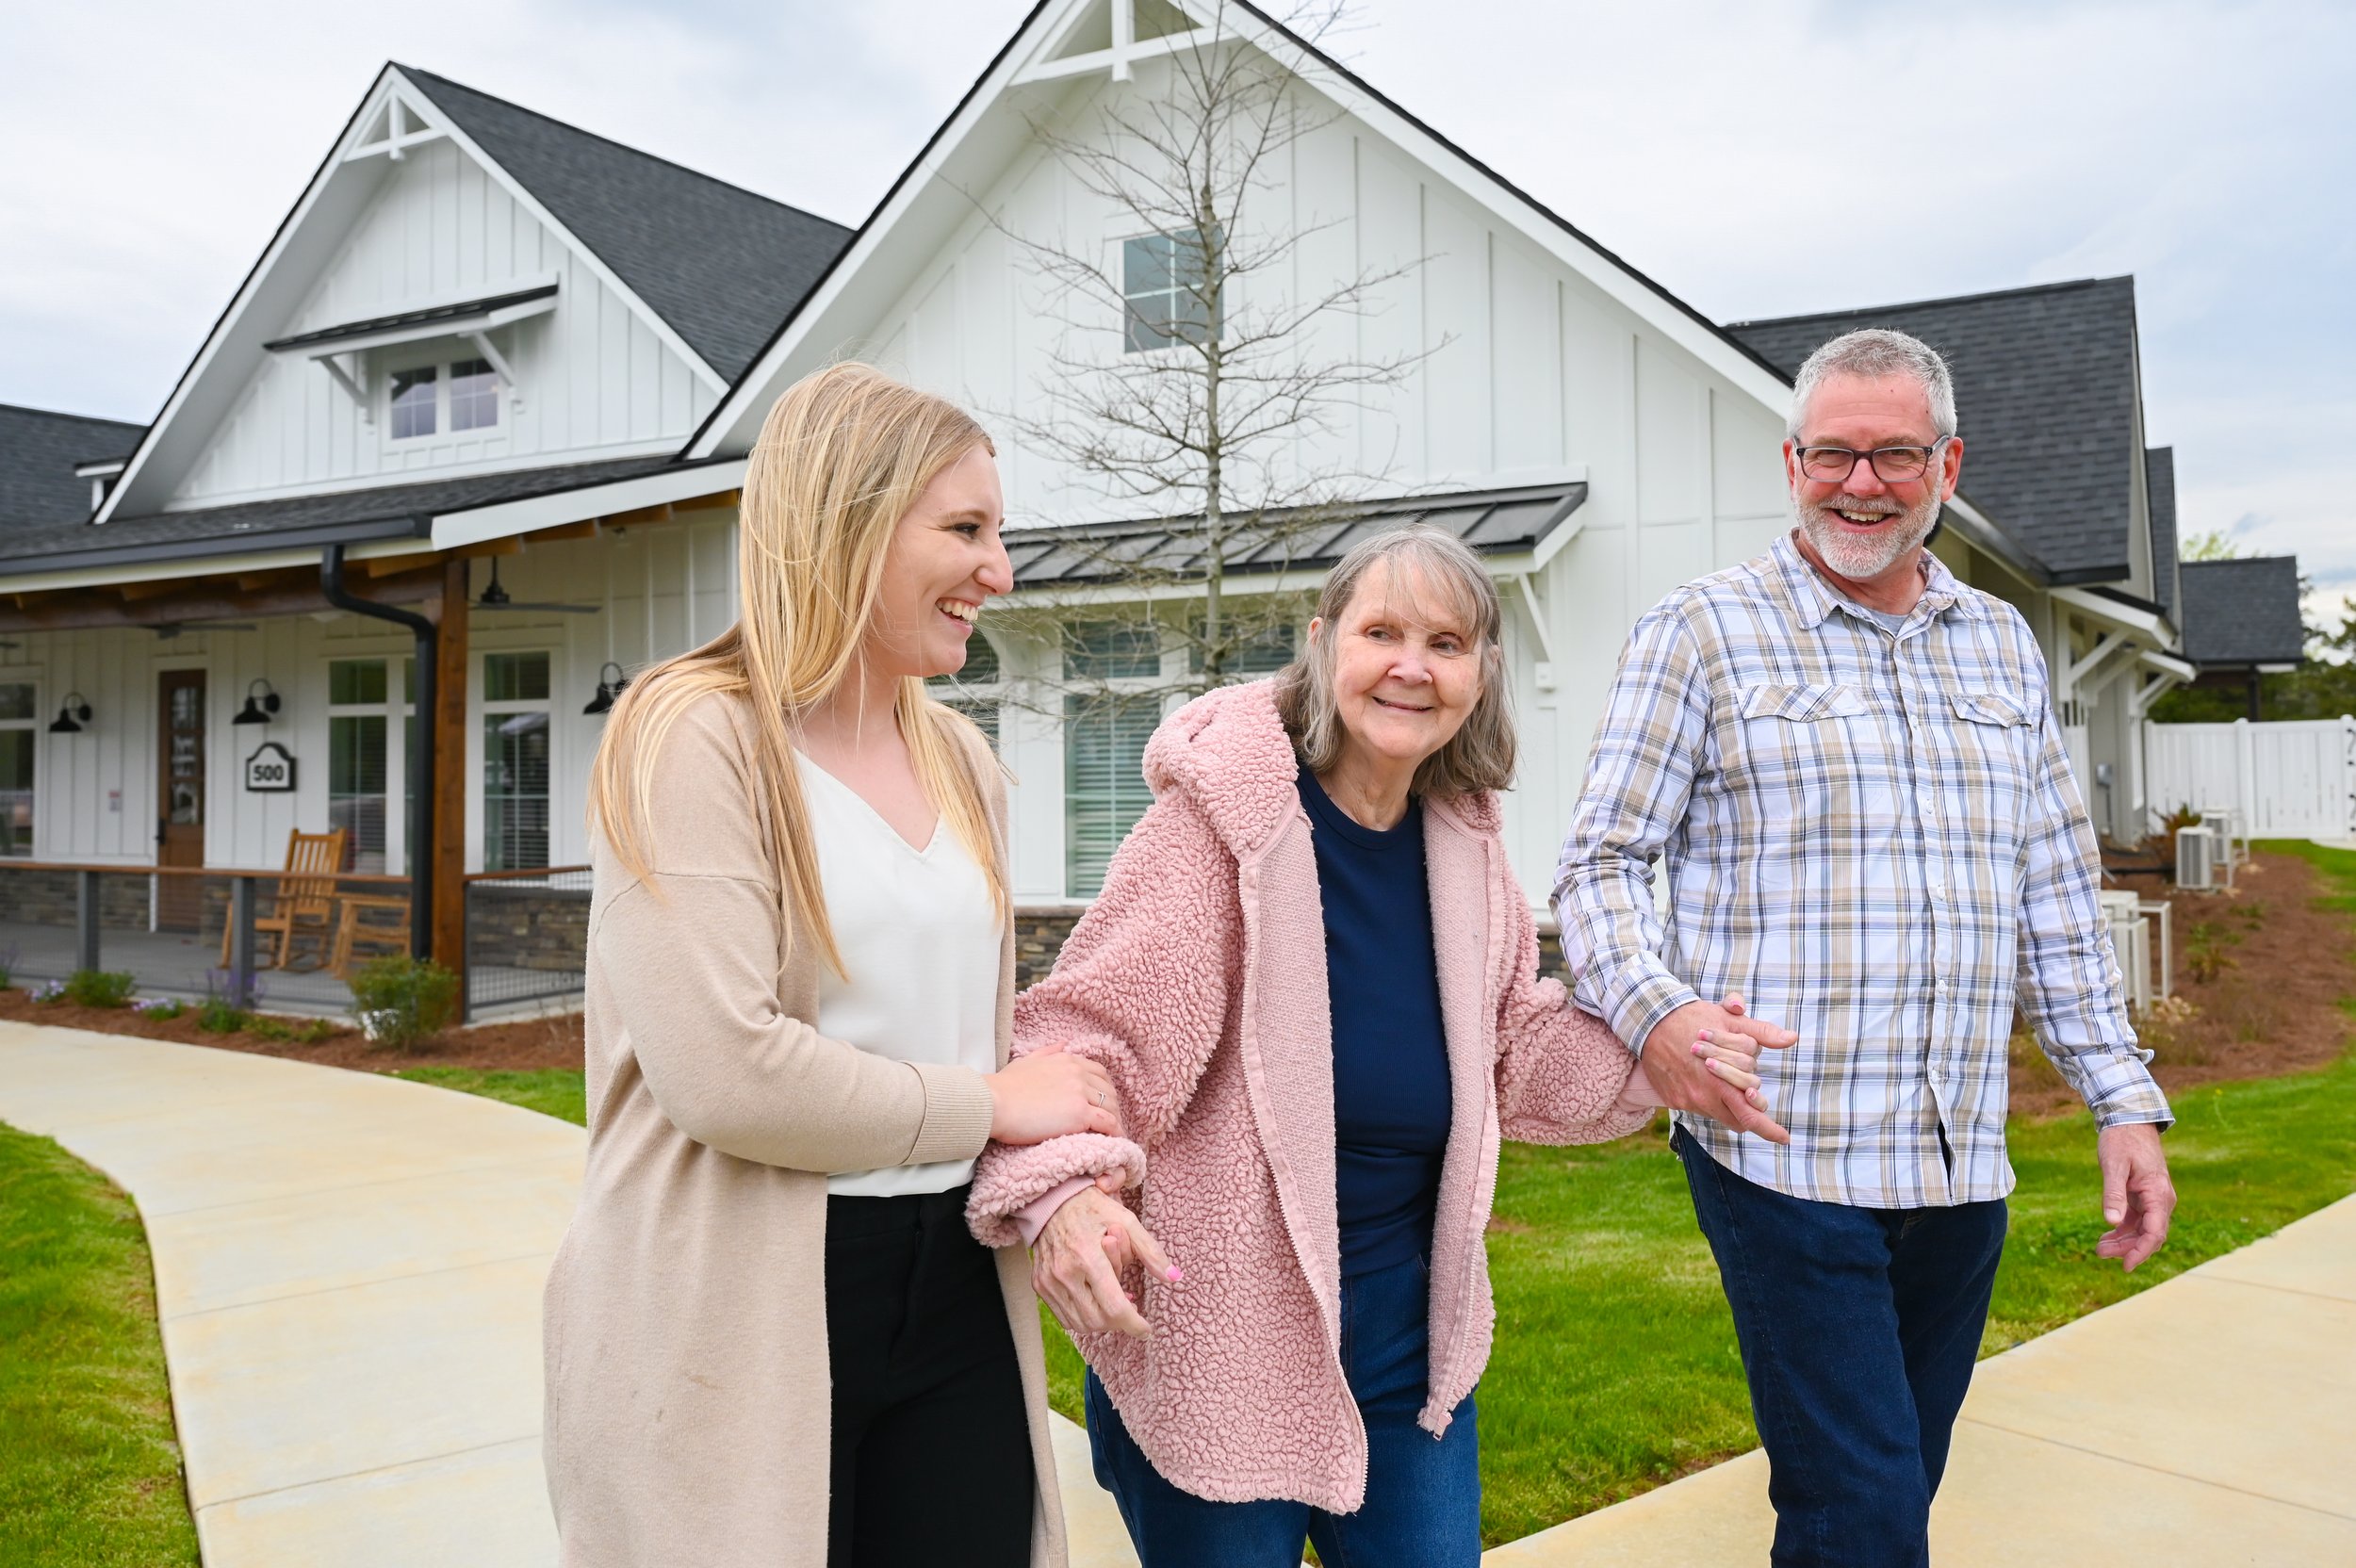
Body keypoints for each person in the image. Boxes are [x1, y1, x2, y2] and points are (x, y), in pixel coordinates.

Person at [965, 525, 1790, 1567]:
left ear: (1481, 672)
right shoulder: (1217, 832)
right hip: (1224, 1333)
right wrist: (1064, 1193)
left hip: (1409, 1334)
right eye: (1381, 631)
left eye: (1446, 641)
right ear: (1322, 644)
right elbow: (1083, 1039)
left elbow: (1511, 1047)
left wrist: (1662, 1053)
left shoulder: (1463, 840)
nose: (1412, 664)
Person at [1556, 327, 2177, 1565]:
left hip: (1957, 1167)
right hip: (1785, 1153)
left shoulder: (2003, 647)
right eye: (1833, 453)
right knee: (1867, 1517)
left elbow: (2052, 894)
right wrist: (1657, 1015)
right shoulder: (1701, 634)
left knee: (1882, 1493)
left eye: (1893, 454)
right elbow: (1601, 866)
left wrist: (2121, 1099)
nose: (1860, 483)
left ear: (1949, 464)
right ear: (1791, 460)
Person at [542, 363, 1122, 1568]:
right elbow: (725, 1073)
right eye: (963, 529)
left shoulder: (962, 757)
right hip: (732, 1298)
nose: (998, 572)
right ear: (844, 523)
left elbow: (982, 1029)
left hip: (958, 1282)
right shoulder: (692, 732)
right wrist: (989, 1106)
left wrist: (1054, 1166)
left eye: (997, 533)